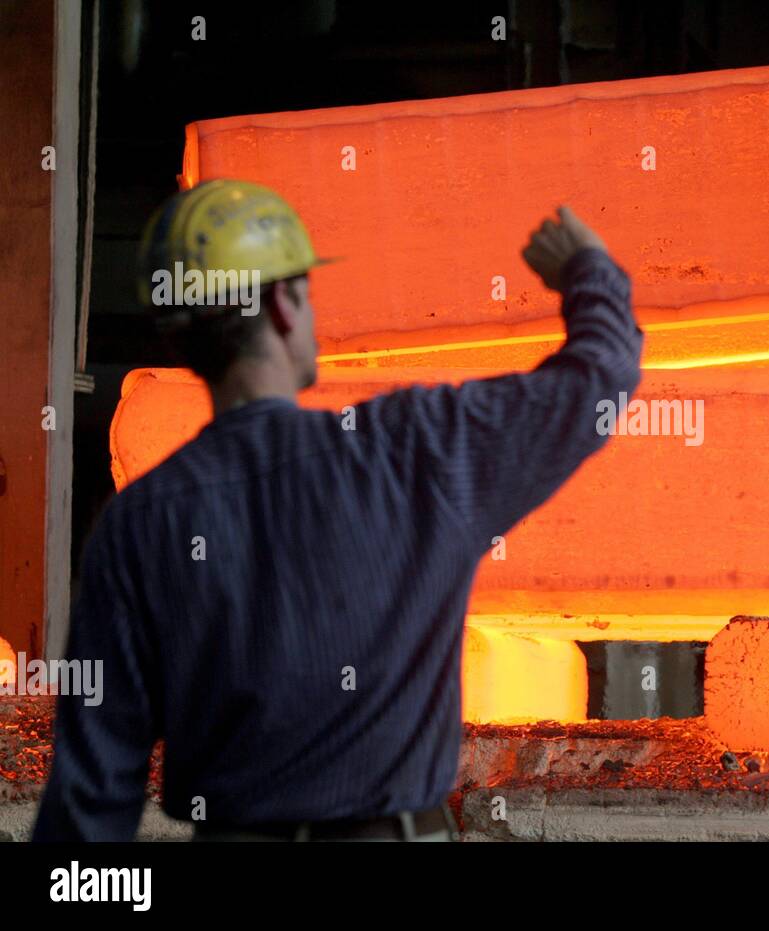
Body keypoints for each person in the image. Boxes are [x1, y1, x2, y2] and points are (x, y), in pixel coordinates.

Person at [33, 180, 642, 841]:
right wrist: (588, 271)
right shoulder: (412, 452)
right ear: (285, 306)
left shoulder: (139, 526)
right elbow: (599, 377)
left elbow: (87, 808)